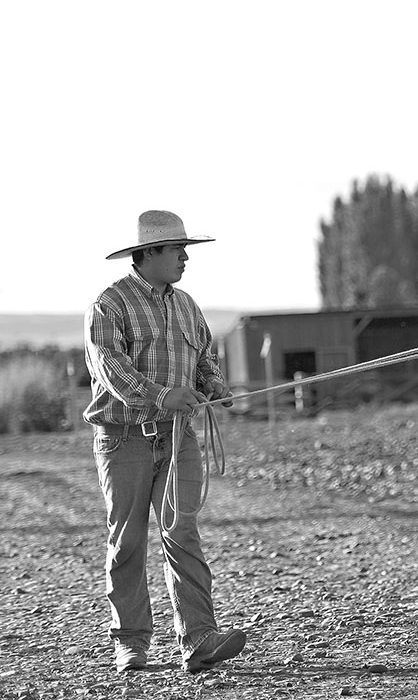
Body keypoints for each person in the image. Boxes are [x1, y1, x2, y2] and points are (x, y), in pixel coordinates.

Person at [83, 210, 245, 673]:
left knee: (182, 533)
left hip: (178, 436)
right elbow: (111, 370)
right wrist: (161, 395)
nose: (186, 257)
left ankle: (198, 639)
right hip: (124, 439)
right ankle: (130, 642)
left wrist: (212, 383)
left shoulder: (188, 306)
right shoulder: (109, 304)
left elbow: (204, 358)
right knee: (128, 540)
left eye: (185, 249)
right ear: (149, 253)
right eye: (178, 249)